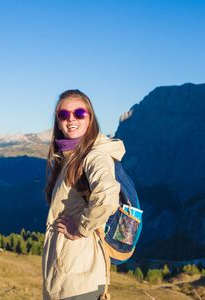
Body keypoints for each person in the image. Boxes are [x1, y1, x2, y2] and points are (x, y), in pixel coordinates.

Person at [42, 89, 126, 300]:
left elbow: (107, 196)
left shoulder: (93, 155)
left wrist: (81, 229)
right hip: (69, 272)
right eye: (64, 114)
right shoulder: (72, 155)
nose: (71, 119)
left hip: (79, 274)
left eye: (79, 113)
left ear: (90, 117)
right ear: (58, 121)